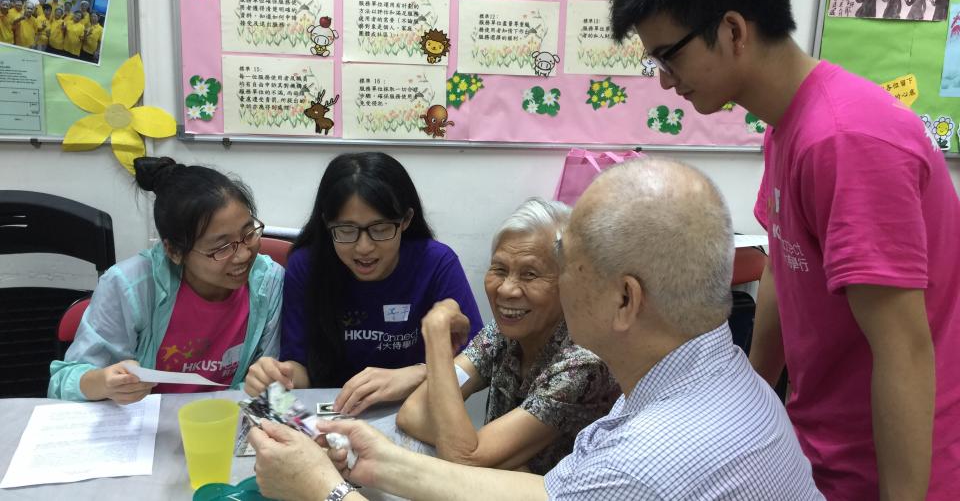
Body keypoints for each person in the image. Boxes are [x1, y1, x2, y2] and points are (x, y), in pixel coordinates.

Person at [248, 157, 824, 501]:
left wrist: (325, 488)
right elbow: (552, 493)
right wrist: (378, 461)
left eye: (563, 266)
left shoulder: (645, 462)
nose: (511, 290)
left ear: (625, 299)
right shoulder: (706, 374)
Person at [608, 0, 960, 499]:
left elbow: (904, 350)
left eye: (668, 55)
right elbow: (785, 263)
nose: (663, 77)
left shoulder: (846, 139)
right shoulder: (788, 125)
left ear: (732, 31)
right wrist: (748, 396)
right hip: (818, 442)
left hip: (890, 470)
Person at [244, 152, 483, 415]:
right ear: (327, 224)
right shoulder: (307, 265)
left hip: (413, 412)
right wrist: (280, 376)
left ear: (405, 220)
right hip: (333, 415)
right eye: (346, 230)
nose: (364, 247)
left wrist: (419, 373)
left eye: (380, 229)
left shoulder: (436, 262)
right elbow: (299, 368)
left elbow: (481, 364)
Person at [396, 198, 619, 474]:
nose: (507, 290)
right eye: (499, 270)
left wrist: (438, 342)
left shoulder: (583, 365)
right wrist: (470, 445)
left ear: (569, 284)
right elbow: (414, 412)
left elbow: (464, 456)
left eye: (530, 274)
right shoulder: (504, 333)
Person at [48, 157, 284, 404]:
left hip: (226, 422)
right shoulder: (130, 286)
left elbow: (270, 385)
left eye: (249, 233)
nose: (245, 254)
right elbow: (61, 383)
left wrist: (269, 379)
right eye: (222, 247)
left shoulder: (267, 282)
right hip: (148, 426)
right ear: (174, 251)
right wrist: (104, 383)